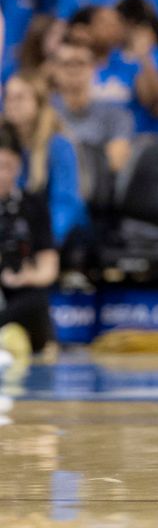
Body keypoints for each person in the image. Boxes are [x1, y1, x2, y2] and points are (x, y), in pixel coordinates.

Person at [2, 71, 86, 247]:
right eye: (7, 97)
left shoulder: (59, 146)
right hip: (17, 229)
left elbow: (65, 203)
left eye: (20, 98)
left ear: (38, 102)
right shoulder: (5, 143)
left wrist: (42, 242)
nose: (11, 104)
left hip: (58, 233)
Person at [0, 121, 59, 358]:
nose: (2, 174)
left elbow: (49, 267)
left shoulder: (33, 205)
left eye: (7, 166)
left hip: (22, 289)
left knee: (36, 302)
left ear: (18, 166)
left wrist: (26, 277)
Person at [92, 0, 158, 135]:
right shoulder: (110, 57)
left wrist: (144, 58)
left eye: (115, 22)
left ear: (131, 24)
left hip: (143, 138)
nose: (110, 28)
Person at [49, 38, 134, 177]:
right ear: (54, 69)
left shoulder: (116, 115)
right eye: (66, 64)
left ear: (93, 68)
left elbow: (117, 163)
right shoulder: (44, 111)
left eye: (80, 63)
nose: (73, 70)